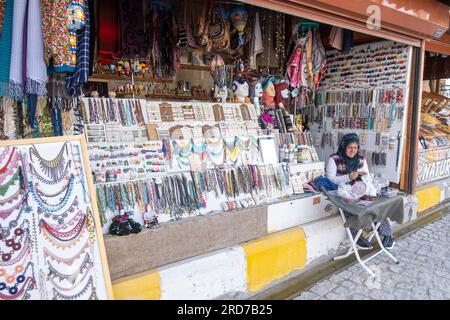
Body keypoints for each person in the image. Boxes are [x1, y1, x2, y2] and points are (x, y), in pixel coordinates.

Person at [326, 133, 395, 250]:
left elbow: (367, 177)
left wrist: (362, 178)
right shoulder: (334, 159)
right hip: (343, 193)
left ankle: (387, 233)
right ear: (344, 146)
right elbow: (330, 180)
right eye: (350, 147)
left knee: (376, 205)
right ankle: (357, 236)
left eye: (355, 147)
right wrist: (348, 177)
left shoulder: (361, 159)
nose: (353, 150)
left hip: (361, 190)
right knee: (351, 207)